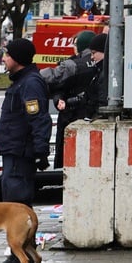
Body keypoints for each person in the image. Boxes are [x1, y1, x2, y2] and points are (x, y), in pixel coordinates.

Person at [0, 37, 51, 263]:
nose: (3, 58)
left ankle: (21, 260)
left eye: (7, 55)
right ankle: (24, 258)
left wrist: (41, 151)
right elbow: (11, 119)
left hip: (20, 154)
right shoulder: (20, 82)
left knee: (18, 211)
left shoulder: (30, 84)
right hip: (12, 150)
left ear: (18, 59)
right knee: (17, 209)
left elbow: (38, 119)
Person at [42, 30, 97, 168]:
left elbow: (53, 79)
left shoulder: (72, 65)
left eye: (75, 44)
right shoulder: (103, 64)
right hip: (92, 117)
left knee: (67, 160)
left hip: (71, 116)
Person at [59, 32, 107, 123]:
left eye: (93, 53)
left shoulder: (103, 73)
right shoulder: (98, 70)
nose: (92, 57)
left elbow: (101, 100)